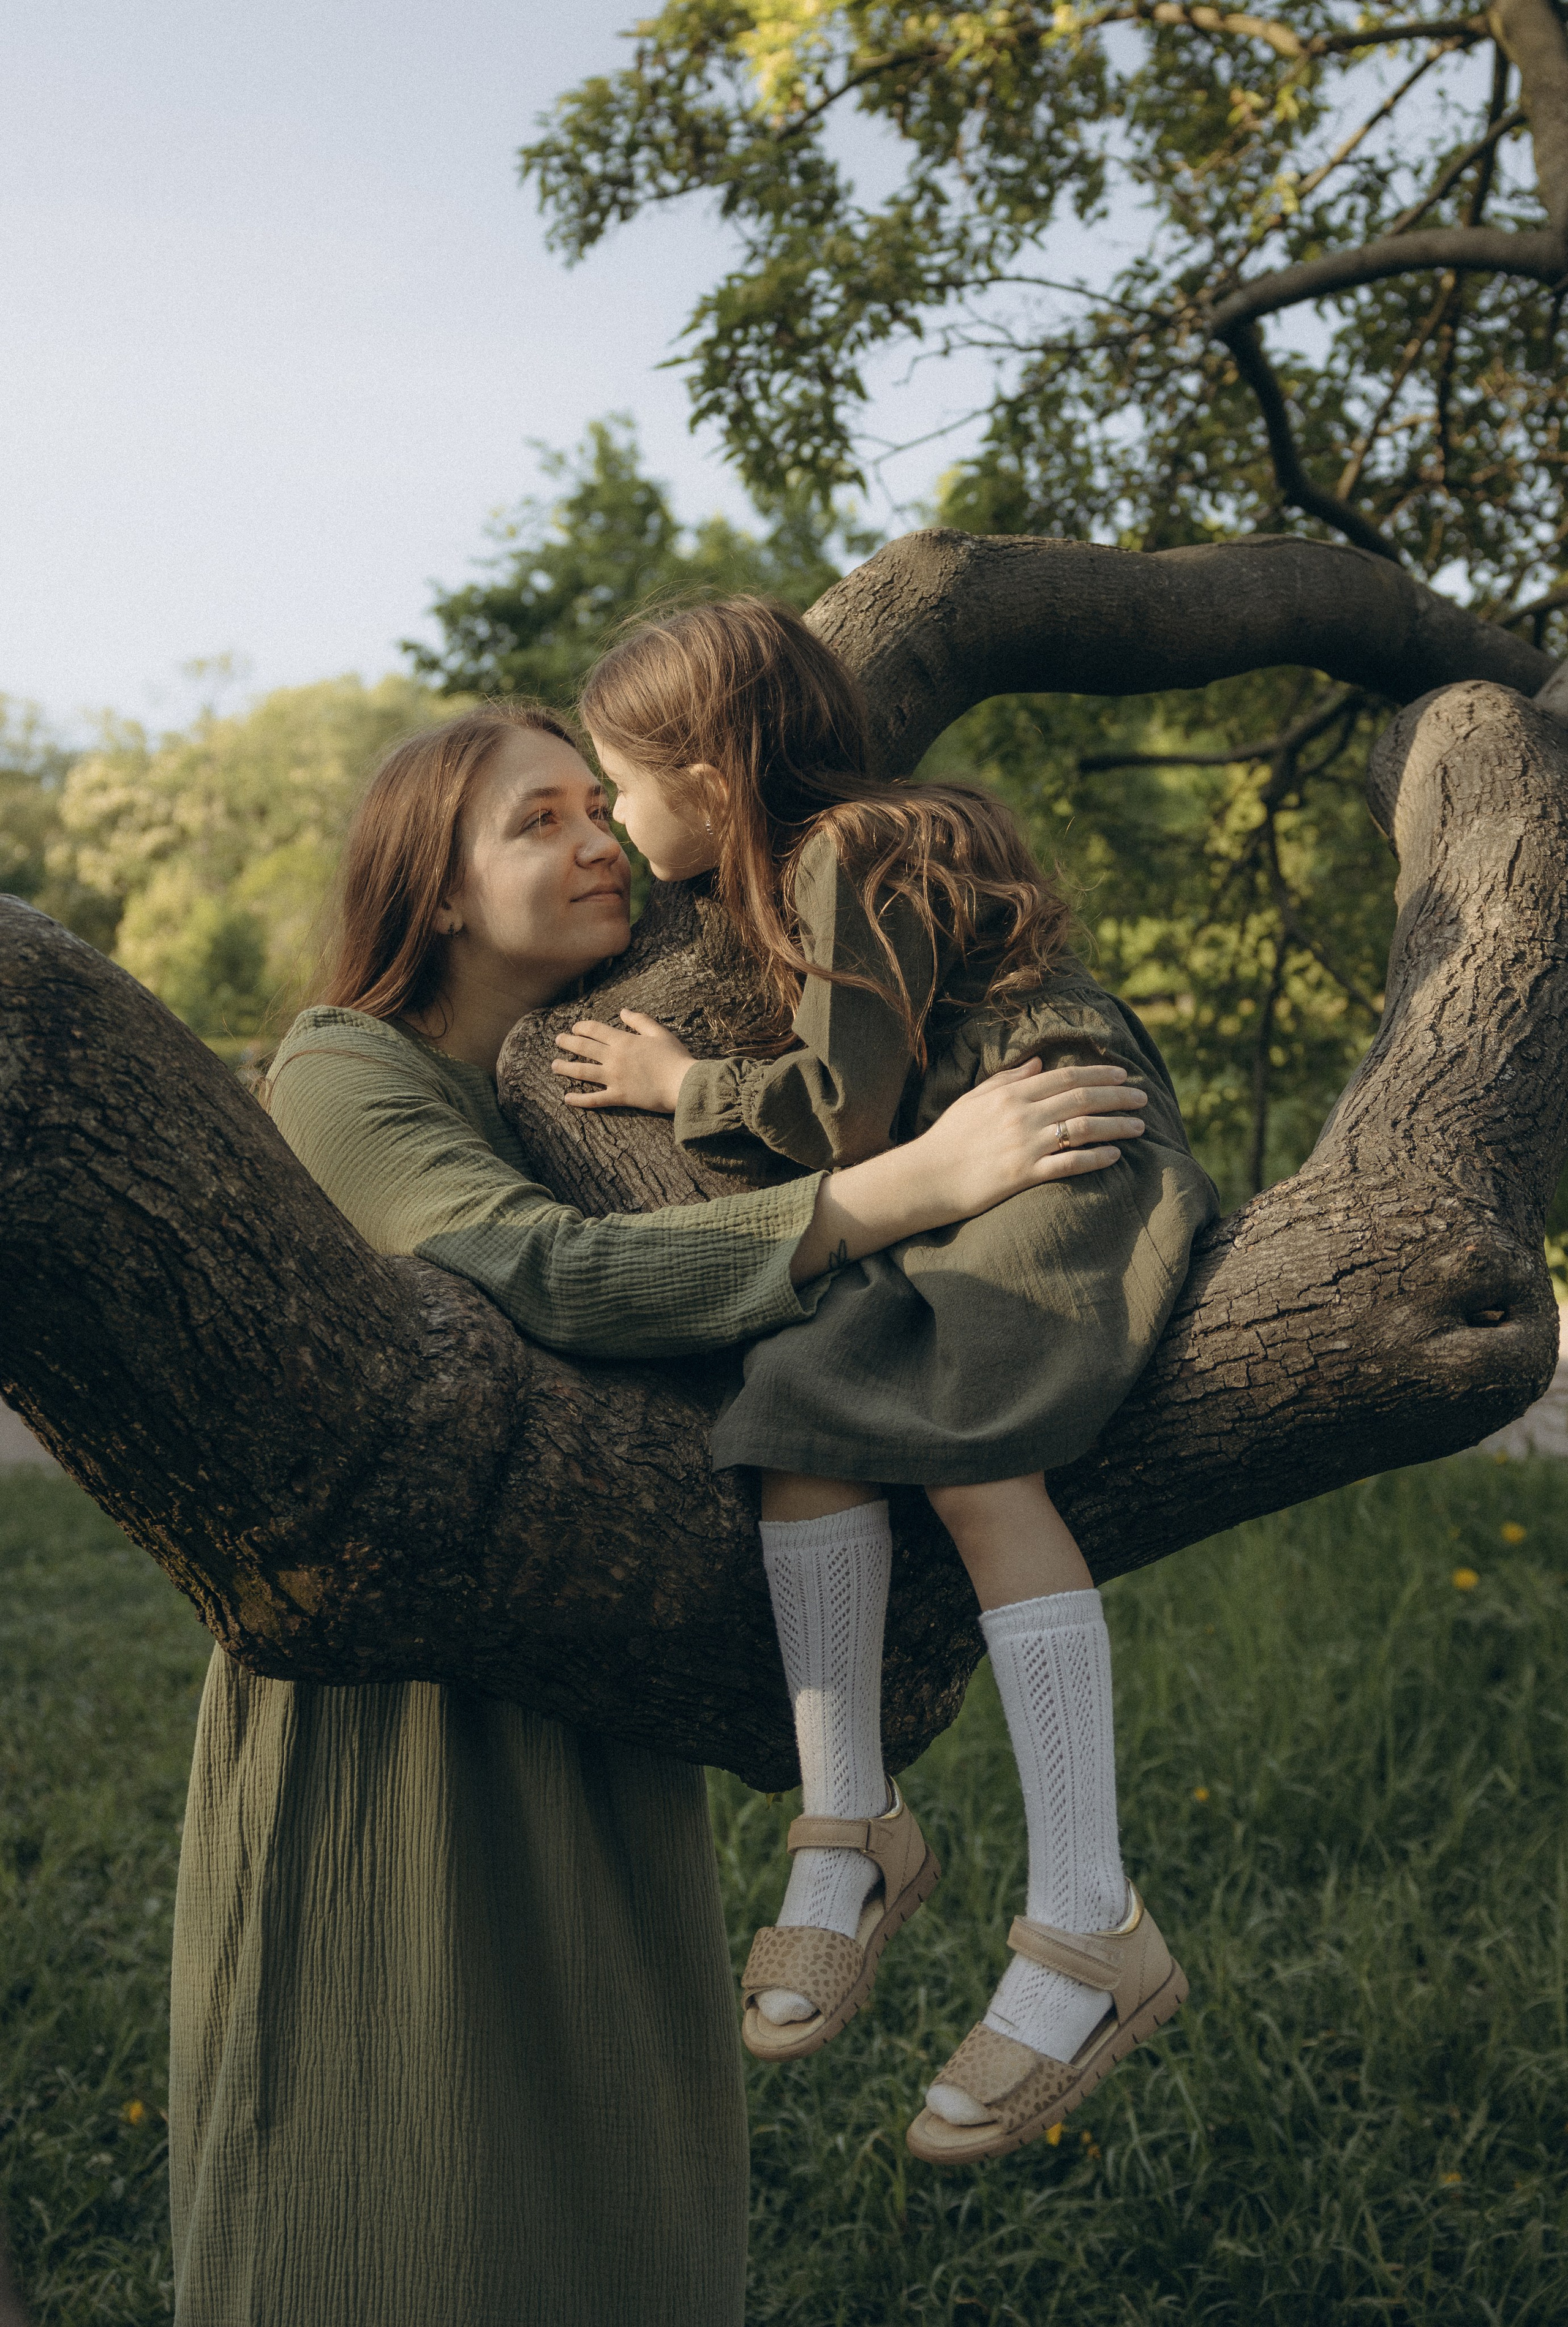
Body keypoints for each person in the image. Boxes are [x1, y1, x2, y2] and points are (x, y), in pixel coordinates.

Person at [168, 702, 1151, 2326]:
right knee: (384, 2172)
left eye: (595, 808)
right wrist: (920, 1181)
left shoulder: (614, 1066)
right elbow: (546, 1274)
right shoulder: (348, 1068)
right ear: (428, 882)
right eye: (535, 819)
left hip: (604, 1667)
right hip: (403, 1706)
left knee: (608, 2174)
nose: (594, 843)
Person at [555, 601, 1221, 2165]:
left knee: (978, 1462)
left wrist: (679, 1084)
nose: (608, 817)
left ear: (709, 774)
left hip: (1047, 1128)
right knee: (803, 1415)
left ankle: (1086, 1917)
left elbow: (850, 1115)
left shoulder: (845, 853)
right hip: (956, 1162)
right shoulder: (796, 880)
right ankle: (848, 1816)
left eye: (613, 782)